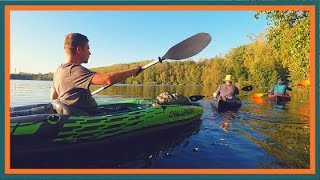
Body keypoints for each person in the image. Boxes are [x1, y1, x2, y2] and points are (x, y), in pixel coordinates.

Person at [50, 33, 141, 115]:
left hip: (75, 113)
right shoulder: (77, 71)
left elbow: (53, 96)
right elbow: (108, 79)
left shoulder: (58, 70)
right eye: (88, 49)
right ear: (79, 49)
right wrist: (133, 71)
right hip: (90, 116)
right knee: (125, 109)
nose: (90, 53)